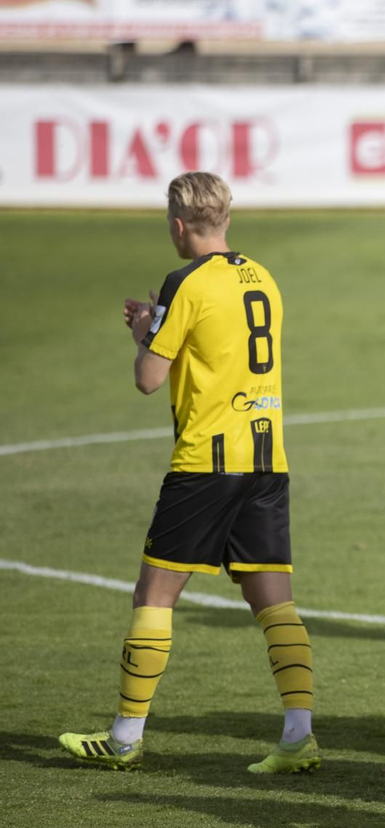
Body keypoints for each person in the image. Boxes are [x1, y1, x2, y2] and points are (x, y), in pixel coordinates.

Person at [58, 171, 318, 775]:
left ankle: (125, 737)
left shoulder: (185, 282)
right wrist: (159, 323)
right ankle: (298, 737)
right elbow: (217, 345)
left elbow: (149, 378)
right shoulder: (263, 277)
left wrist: (144, 333)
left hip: (206, 464)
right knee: (275, 604)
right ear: (225, 218)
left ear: (178, 226)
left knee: (153, 595)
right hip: (266, 461)